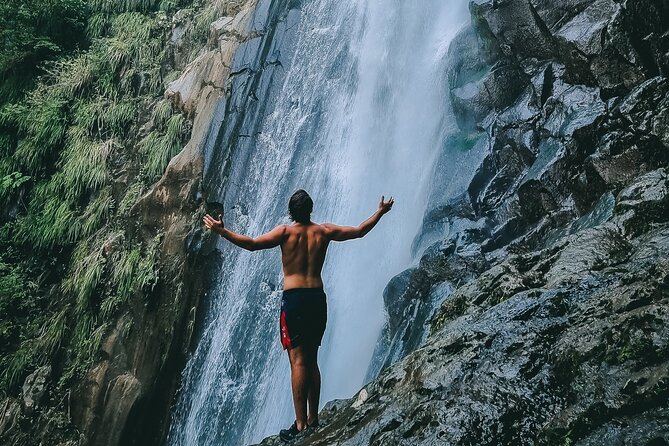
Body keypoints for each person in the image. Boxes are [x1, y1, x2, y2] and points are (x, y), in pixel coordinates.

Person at [203, 189, 394, 442]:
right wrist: (380, 212)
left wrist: (222, 231)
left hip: (294, 301)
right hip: (316, 298)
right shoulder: (323, 232)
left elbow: (251, 245)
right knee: (312, 359)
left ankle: (301, 424)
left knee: (297, 361)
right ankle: (313, 418)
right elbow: (359, 231)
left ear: (291, 212)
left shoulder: (285, 233)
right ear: (311, 209)